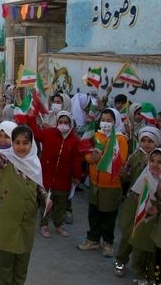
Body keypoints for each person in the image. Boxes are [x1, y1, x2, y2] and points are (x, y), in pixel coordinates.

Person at [0, 125, 49, 285]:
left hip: (26, 224)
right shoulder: (6, 161)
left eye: (25, 143)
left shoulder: (34, 164)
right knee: (5, 268)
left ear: (32, 145)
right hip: (6, 223)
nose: (21, 147)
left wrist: (46, 198)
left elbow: (38, 186)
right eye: (17, 142)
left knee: (21, 267)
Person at [78, 108, 129, 257]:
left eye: (109, 120)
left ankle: (108, 243)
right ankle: (93, 239)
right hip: (95, 183)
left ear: (116, 122)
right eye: (103, 120)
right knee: (94, 213)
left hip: (111, 186)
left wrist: (101, 157)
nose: (105, 123)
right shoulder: (96, 135)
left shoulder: (120, 139)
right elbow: (87, 153)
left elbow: (121, 161)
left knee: (109, 215)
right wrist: (90, 158)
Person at [114, 126, 161, 277]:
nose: (146, 144)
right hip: (133, 200)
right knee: (128, 233)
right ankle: (121, 261)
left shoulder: (158, 158)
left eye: (150, 141)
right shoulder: (134, 157)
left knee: (144, 238)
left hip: (151, 203)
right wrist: (122, 173)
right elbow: (126, 175)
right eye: (143, 140)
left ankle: (142, 269)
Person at [26, 110, 82, 238]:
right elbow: (36, 134)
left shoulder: (74, 140)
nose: (63, 125)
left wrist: (77, 176)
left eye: (66, 122)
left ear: (70, 124)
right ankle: (44, 225)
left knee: (61, 204)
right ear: (57, 123)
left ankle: (58, 224)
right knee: (46, 202)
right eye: (61, 122)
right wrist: (31, 118)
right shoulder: (49, 133)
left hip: (64, 179)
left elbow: (76, 160)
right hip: (47, 177)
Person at [125, 148, 161, 285]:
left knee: (153, 251)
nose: (155, 165)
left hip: (156, 223)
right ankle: (139, 274)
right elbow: (134, 195)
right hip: (143, 219)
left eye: (159, 162)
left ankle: (152, 275)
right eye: (152, 161)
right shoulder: (145, 176)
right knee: (139, 248)